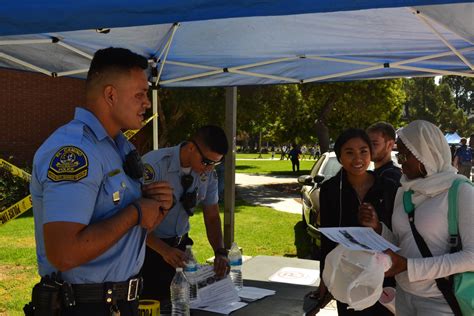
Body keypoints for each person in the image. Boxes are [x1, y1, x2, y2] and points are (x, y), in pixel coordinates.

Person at [29, 47, 174, 315]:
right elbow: (64, 253)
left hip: (119, 303)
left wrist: (154, 208)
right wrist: (136, 212)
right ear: (110, 95)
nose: (148, 103)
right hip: (84, 306)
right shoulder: (75, 152)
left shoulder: (119, 148)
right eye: (140, 94)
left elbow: (134, 228)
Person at [359, 120, 474, 315]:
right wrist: (378, 228)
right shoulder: (405, 190)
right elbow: (402, 242)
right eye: (398, 154)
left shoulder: (460, 190)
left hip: (442, 300)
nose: (400, 161)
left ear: (426, 154)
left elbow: (471, 257)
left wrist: (409, 267)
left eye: (405, 155)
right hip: (404, 295)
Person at [140, 125, 230, 303]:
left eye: (215, 163)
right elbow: (135, 219)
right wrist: (164, 250)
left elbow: (211, 216)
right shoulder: (154, 165)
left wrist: (220, 251)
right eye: (206, 162)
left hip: (179, 251)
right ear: (190, 147)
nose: (209, 169)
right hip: (149, 251)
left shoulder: (208, 174)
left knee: (183, 305)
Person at [317, 128, 398, 316]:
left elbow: (398, 235)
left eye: (363, 151)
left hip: (382, 276)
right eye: (349, 153)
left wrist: (376, 225)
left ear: (371, 153)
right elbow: (327, 238)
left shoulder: (388, 186)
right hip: (347, 274)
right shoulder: (330, 189)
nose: (357, 159)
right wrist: (325, 277)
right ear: (339, 157)